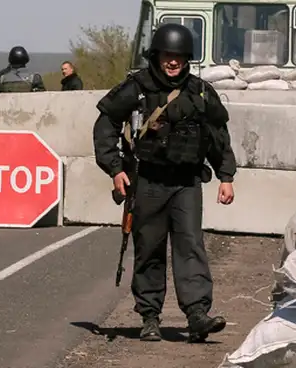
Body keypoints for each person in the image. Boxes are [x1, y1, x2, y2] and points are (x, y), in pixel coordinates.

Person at [92, 22, 237, 343]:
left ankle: (197, 315)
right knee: (149, 249)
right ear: (156, 56)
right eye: (167, 56)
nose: (173, 62)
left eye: (179, 57)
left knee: (191, 247)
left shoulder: (200, 91)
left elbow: (217, 136)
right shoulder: (137, 88)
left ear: (187, 59)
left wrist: (226, 176)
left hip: (187, 183)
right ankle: (149, 317)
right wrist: (115, 169)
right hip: (148, 182)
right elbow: (105, 125)